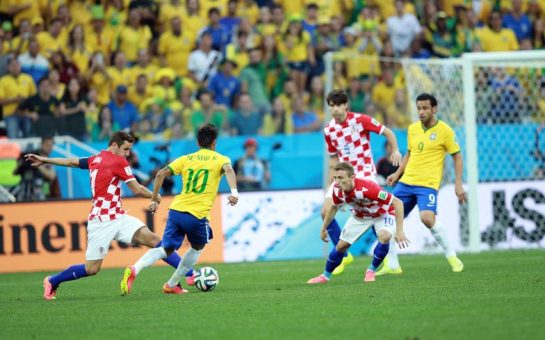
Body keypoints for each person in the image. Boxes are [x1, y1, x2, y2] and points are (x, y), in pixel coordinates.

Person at [25, 131, 183, 300]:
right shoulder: (118, 161)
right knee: (91, 269)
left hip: (118, 217)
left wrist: (45, 160)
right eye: (125, 149)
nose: (127, 154)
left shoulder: (95, 159)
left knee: (153, 239)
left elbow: (71, 161)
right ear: (114, 145)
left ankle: (190, 275)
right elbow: (136, 189)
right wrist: (155, 197)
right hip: (101, 222)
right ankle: (52, 281)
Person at [120, 124, 238, 295]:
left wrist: (154, 199)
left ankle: (135, 268)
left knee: (166, 249)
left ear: (198, 143)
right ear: (214, 143)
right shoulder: (220, 159)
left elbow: (160, 174)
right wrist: (234, 193)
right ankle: (172, 284)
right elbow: (229, 170)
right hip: (197, 214)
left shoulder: (186, 158)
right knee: (199, 246)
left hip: (176, 210)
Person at [377, 93, 465, 276]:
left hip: (427, 184)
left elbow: (457, 156)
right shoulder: (413, 129)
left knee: (427, 218)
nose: (421, 112)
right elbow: (409, 154)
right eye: (419, 108)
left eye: (425, 108)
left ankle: (451, 255)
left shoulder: (446, 131)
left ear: (434, 109)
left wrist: (458, 184)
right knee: (387, 217)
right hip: (407, 182)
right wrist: (397, 173)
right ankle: (393, 265)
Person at [321, 89, 402, 275]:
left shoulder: (360, 120)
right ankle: (344, 254)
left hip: (365, 173)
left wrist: (395, 150)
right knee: (325, 211)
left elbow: (388, 132)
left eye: (338, 105)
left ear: (346, 105)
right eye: (331, 106)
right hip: (343, 176)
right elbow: (333, 159)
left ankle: (392, 261)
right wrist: (330, 183)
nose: (334, 109)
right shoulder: (329, 130)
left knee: (376, 216)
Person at [307, 162, 409, 284]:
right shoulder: (337, 189)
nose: (337, 181)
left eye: (341, 178)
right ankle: (325, 276)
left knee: (385, 236)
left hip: (382, 214)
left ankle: (371, 271)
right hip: (360, 216)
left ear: (352, 177)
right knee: (341, 246)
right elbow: (334, 207)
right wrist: (323, 228)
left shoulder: (369, 188)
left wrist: (399, 231)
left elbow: (397, 203)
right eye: (335, 178)